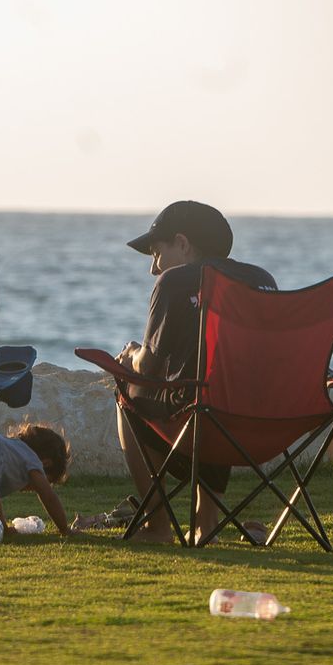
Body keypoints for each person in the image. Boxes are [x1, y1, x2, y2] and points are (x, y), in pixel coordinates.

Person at [98, 200, 276, 542]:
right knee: (216, 394)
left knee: (128, 391)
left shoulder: (175, 282)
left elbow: (148, 366)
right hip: (261, 426)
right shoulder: (261, 279)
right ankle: (205, 526)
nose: (153, 268)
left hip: (199, 423)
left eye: (155, 252)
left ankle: (158, 525)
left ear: (182, 243)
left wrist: (132, 353)